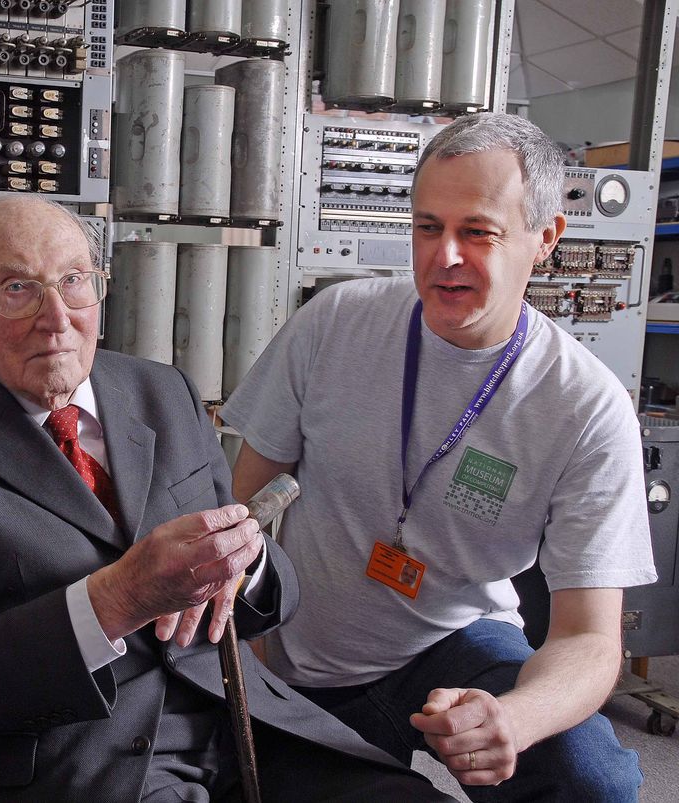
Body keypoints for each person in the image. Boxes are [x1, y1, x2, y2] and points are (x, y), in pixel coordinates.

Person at [0, 195, 455, 802]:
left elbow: (270, 599)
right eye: (16, 289)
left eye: (75, 281)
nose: (57, 317)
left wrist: (248, 560)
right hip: (64, 757)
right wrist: (119, 598)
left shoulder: (163, 391)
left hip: (236, 720)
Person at [223, 112, 657, 801]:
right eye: (428, 227)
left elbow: (591, 641)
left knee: (594, 782)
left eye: (476, 231)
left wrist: (509, 719)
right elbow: (237, 504)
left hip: (460, 646)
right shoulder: (336, 324)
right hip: (308, 663)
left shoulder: (585, 407)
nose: (443, 256)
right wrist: (238, 655)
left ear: (546, 238)